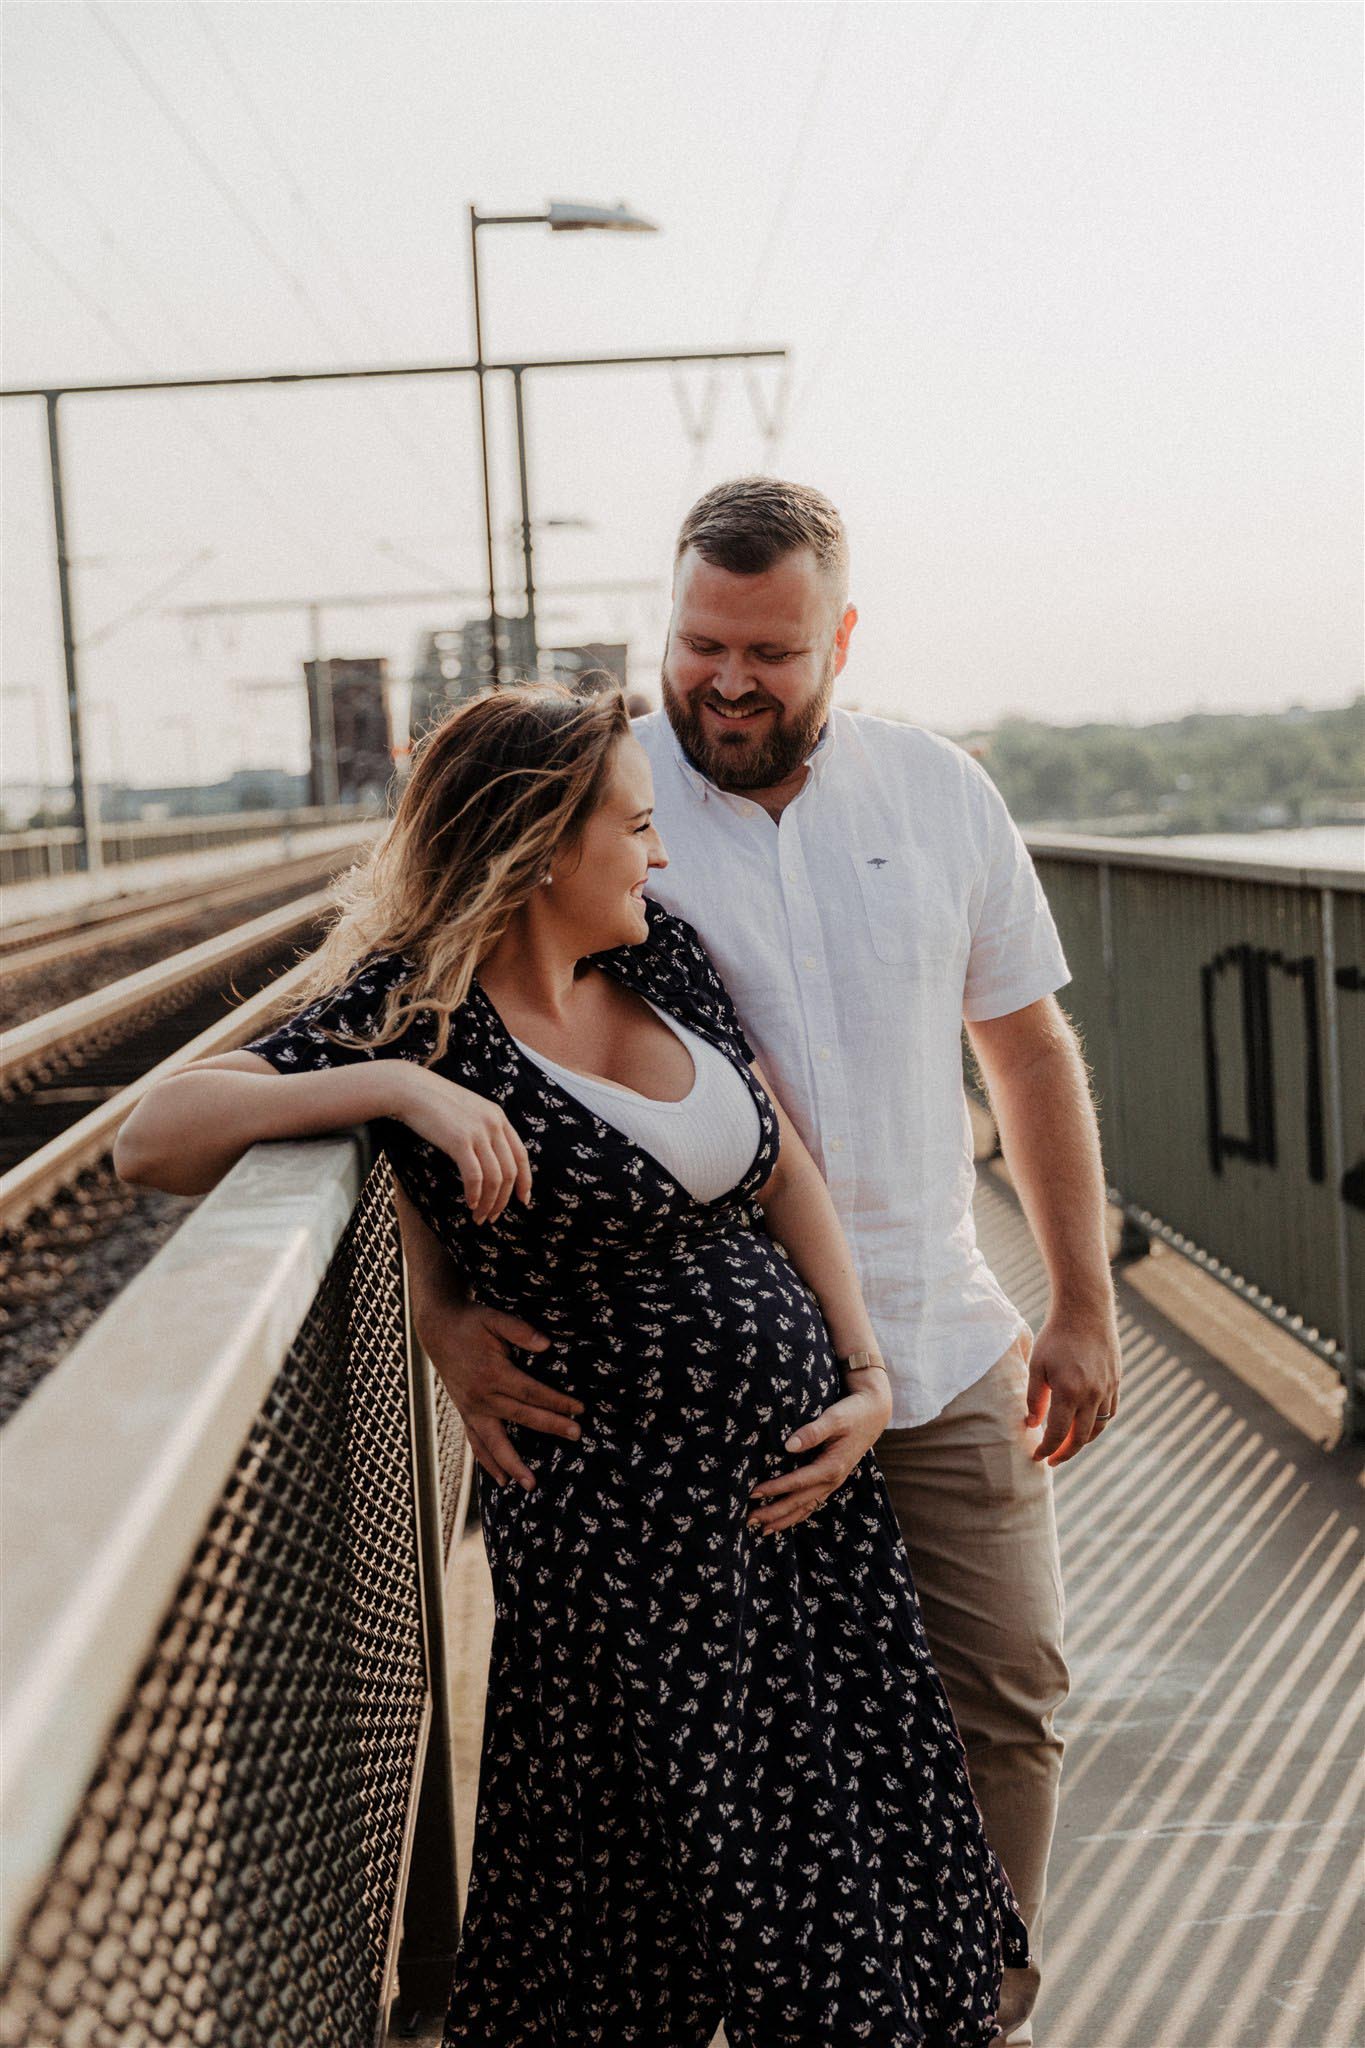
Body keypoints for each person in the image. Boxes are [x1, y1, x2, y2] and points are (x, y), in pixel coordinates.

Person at [114, 680, 1030, 2048]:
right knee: (674, 1926)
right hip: (635, 1557)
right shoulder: (413, 1019)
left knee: (863, 1880)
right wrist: (393, 1090)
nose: (657, 856)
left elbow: (785, 1171)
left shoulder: (662, 960)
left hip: (801, 1522)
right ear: (545, 844)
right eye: (636, 827)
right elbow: (154, 1138)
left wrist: (864, 1372)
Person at [407, 478, 1124, 2048]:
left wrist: (1079, 1299)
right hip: (674, 1412)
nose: (726, 680)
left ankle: (963, 2020)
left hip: (931, 1350)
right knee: (689, 1770)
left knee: (1004, 1697)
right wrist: (440, 1310)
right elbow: (434, 1037)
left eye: (770, 652)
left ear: (839, 641)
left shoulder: (938, 795)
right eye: (698, 642)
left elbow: (1025, 1050)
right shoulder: (593, 804)